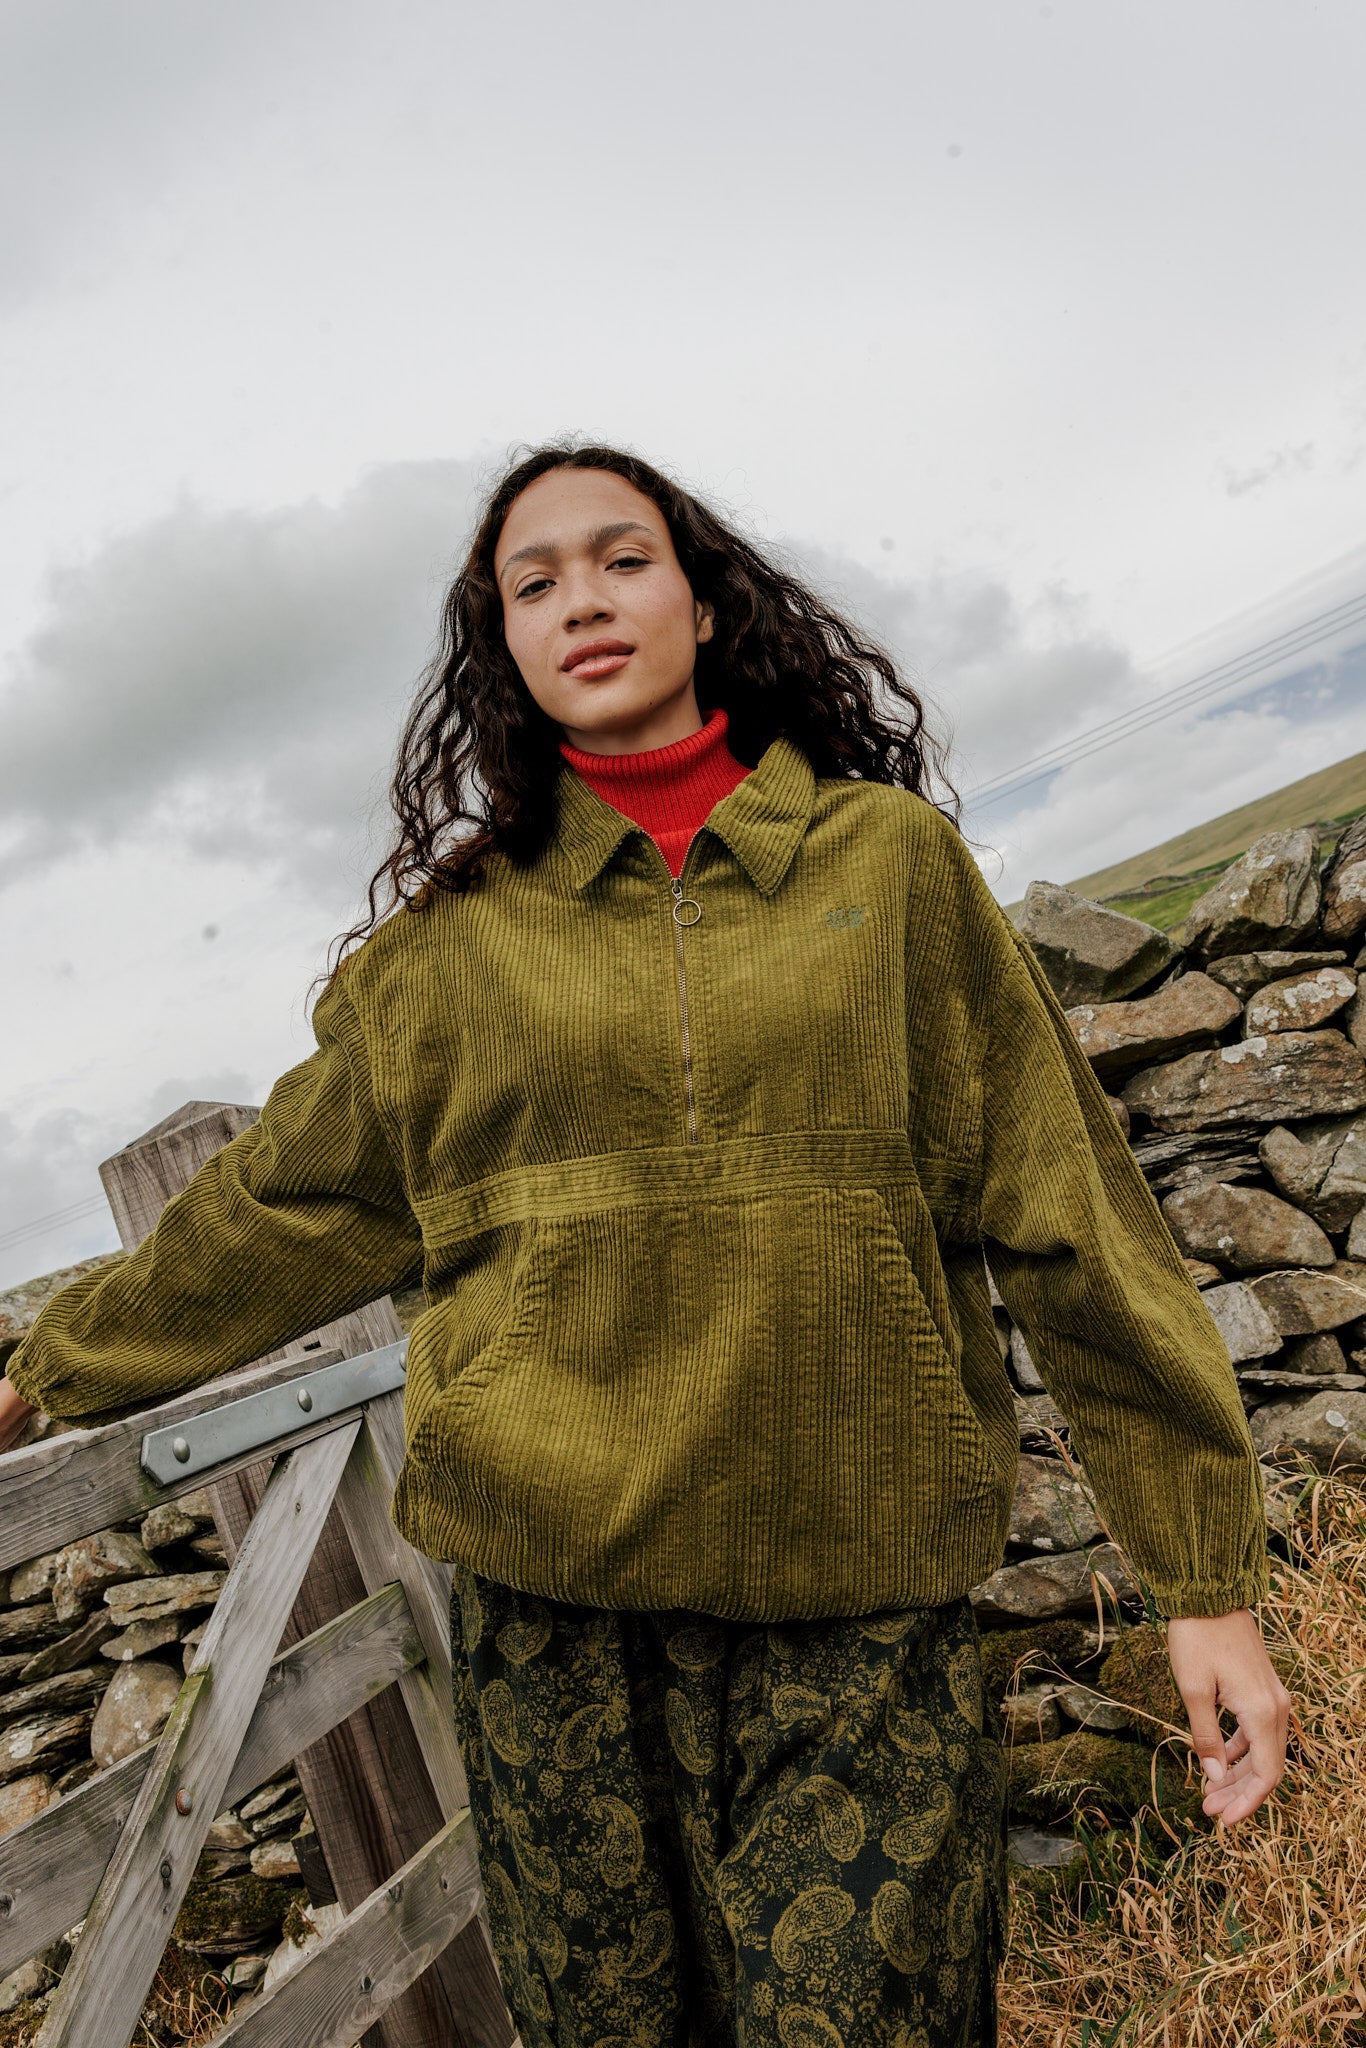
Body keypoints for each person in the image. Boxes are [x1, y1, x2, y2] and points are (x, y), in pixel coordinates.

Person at [0, 444, 1291, 2047]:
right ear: (502, 648)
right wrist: (44, 1373)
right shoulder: (446, 954)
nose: (582, 600)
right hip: (556, 1640)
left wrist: (1203, 1587)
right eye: (532, 583)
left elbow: (1072, 1218)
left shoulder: (889, 872)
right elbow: (278, 1209)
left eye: (621, 559)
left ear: (704, 602)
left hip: (858, 1614)